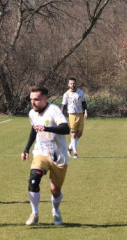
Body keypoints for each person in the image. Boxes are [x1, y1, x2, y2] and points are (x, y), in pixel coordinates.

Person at [21, 86, 71, 225]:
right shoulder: (32, 113)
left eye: (36, 99)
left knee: (55, 191)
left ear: (45, 98)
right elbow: (34, 130)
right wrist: (26, 149)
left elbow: (66, 129)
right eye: (31, 99)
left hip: (58, 156)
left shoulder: (54, 110)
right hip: (41, 153)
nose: (33, 102)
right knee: (33, 179)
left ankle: (55, 210)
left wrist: (47, 128)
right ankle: (34, 213)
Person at [61, 77, 88, 158]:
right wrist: (61, 114)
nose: (73, 85)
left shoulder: (80, 92)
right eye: (71, 83)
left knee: (80, 134)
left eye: (74, 83)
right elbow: (63, 105)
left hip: (80, 114)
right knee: (73, 133)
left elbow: (83, 102)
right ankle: (75, 152)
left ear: (76, 84)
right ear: (68, 84)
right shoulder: (66, 94)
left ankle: (69, 147)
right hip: (72, 114)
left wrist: (85, 111)